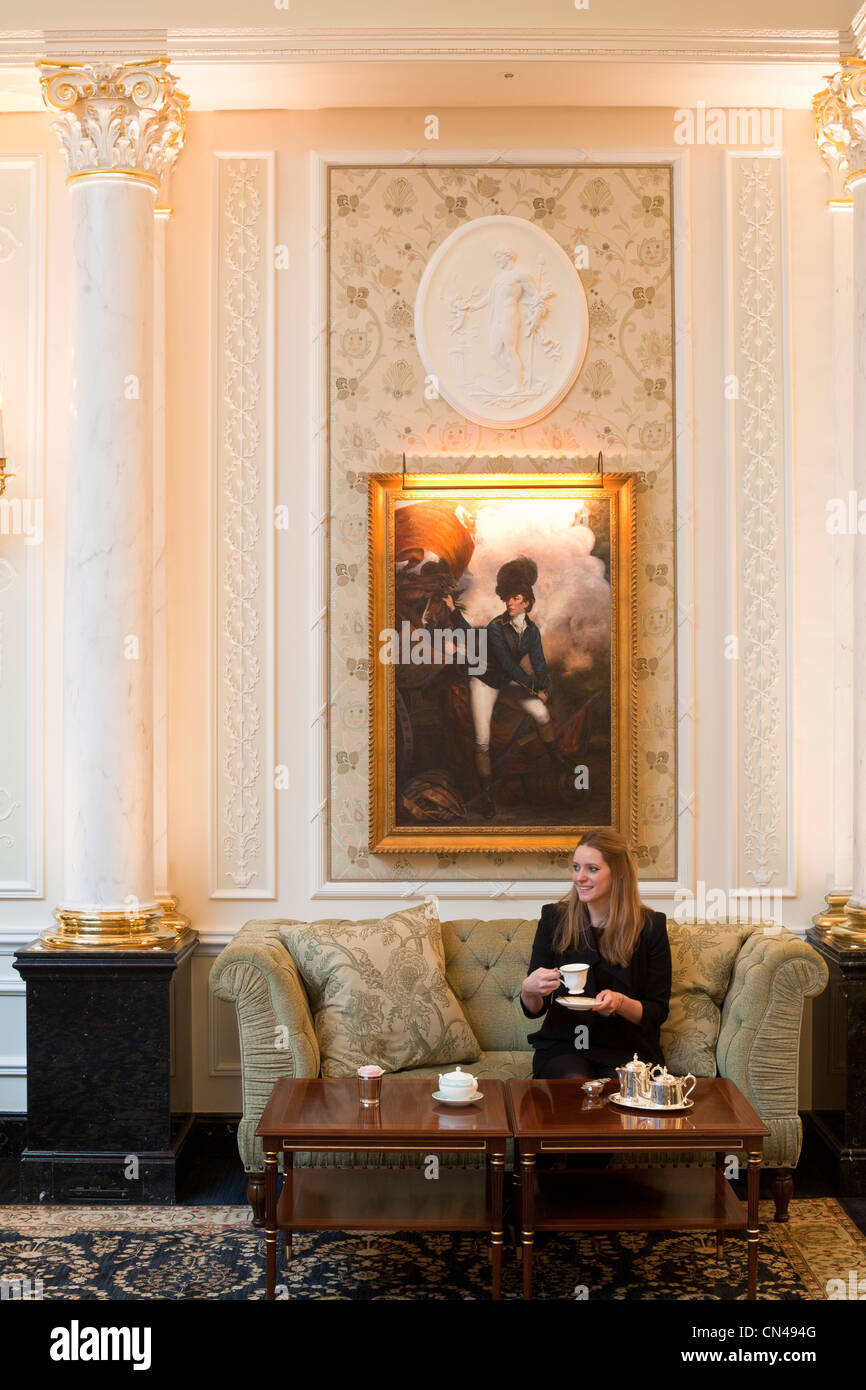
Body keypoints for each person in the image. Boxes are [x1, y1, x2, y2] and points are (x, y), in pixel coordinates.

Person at [520, 826, 671, 1080]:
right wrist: (528, 989)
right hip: (565, 1044)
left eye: (592, 869)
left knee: (617, 1090)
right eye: (576, 867)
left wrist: (620, 1003)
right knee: (574, 1084)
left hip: (627, 1049)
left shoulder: (650, 927)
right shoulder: (553, 919)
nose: (579, 877)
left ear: (618, 874)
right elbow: (536, 1008)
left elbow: (657, 1012)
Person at [457, 555, 567, 819]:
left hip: (508, 681)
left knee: (542, 714)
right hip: (484, 680)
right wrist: (532, 688)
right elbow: (508, 664)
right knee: (481, 741)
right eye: (508, 598)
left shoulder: (531, 632)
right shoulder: (496, 627)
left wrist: (545, 688)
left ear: (527, 602)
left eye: (516, 598)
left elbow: (539, 664)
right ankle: (486, 797)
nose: (510, 602)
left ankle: (558, 763)